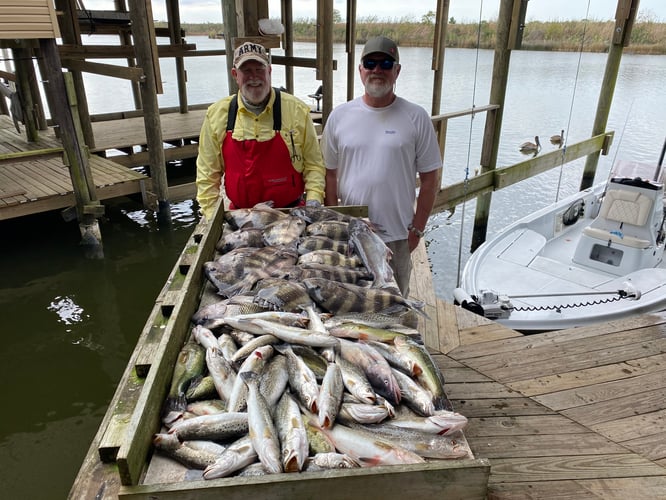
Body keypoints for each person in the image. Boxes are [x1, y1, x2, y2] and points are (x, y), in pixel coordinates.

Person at [321, 36, 442, 296]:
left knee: (396, 304)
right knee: (351, 300)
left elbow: (431, 179)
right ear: (360, 70)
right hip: (352, 233)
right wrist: (337, 224)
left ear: (397, 70)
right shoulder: (339, 117)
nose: (377, 70)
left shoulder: (416, 117)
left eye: (386, 63)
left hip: (397, 235)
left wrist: (417, 229)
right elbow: (330, 175)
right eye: (370, 63)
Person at [196, 41, 325, 220]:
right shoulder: (217, 115)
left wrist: (313, 203)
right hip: (241, 217)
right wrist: (212, 219)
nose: (254, 77)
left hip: (291, 215)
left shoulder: (297, 110)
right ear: (235, 74)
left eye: (259, 69)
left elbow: (314, 165)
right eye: (246, 70)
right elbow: (207, 175)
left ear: (269, 71)